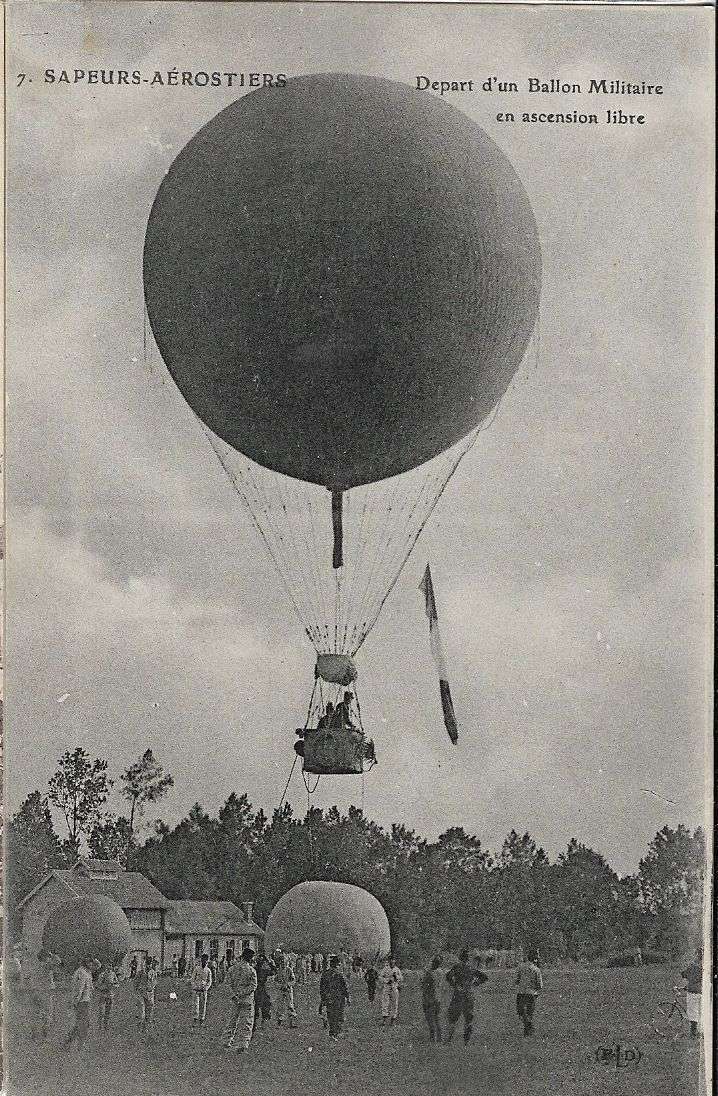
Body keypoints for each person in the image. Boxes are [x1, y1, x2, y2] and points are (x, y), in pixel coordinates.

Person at [444, 949, 487, 1045]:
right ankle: (466, 1042)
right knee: (468, 1019)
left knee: (453, 1018)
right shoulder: (471, 968)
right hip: (469, 994)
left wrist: (454, 985)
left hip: (458, 994)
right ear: (468, 958)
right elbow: (484, 977)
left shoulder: (457, 967)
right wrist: (475, 984)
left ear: (460, 957)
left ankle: (449, 1040)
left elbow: (448, 976)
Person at [225, 947, 258, 1053]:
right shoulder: (251, 970)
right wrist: (242, 993)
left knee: (232, 1021)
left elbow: (227, 984)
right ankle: (243, 1044)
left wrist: (234, 995)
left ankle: (226, 1041)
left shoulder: (232, 969)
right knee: (247, 1022)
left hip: (235, 999)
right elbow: (253, 986)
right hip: (247, 999)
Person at [28, 949, 61, 1040]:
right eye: (48, 957)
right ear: (45, 957)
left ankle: (34, 1034)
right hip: (45, 992)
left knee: (37, 1014)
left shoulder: (36, 965)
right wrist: (52, 954)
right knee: (47, 1014)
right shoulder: (46, 965)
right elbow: (58, 961)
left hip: (36, 991)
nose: (49, 958)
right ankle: (44, 1036)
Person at [64, 956, 93, 1049]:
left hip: (85, 1000)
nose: (91, 964)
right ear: (85, 963)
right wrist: (76, 1001)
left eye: (91, 962)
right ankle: (79, 1045)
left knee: (81, 1024)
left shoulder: (86, 972)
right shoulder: (82, 973)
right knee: (83, 1024)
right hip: (82, 1001)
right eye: (89, 962)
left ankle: (69, 1042)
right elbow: (80, 988)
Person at [319, 955, 350, 1040]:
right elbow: (344, 987)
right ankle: (336, 1032)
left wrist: (323, 998)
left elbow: (322, 988)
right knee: (338, 1015)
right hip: (338, 998)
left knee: (331, 1015)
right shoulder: (339, 974)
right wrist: (348, 997)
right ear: (337, 964)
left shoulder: (326, 974)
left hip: (330, 998)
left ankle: (333, 1032)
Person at [515, 949, 543, 1036]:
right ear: (535, 959)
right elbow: (540, 985)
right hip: (532, 993)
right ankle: (528, 1028)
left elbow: (516, 980)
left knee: (521, 1012)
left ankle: (527, 1027)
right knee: (529, 1012)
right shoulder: (537, 970)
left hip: (521, 992)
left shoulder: (520, 967)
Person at [421, 957, 443, 1043]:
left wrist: (425, 973)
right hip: (438, 998)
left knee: (429, 1018)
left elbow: (424, 985)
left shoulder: (429, 974)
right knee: (436, 1018)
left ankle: (432, 1037)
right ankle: (439, 1037)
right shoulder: (440, 972)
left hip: (429, 999)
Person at [682, 948, 703, 1037]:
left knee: (693, 1011)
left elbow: (686, 975)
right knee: (701, 1011)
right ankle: (701, 1031)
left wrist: (684, 974)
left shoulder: (693, 964)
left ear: (697, 954)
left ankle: (693, 1032)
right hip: (703, 991)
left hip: (693, 990)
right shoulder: (707, 964)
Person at [274, 949, 297, 1028]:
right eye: (281, 962)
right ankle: (279, 1021)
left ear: (287, 962)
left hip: (288, 989)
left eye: (284, 962)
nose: (283, 963)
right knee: (280, 1005)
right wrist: (280, 985)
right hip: (281, 990)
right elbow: (275, 980)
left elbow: (293, 980)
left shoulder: (289, 970)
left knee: (290, 1005)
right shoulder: (278, 971)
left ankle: (291, 1022)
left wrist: (288, 984)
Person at [134, 956, 158, 1034]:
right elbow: (135, 983)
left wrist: (151, 988)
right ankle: (139, 1029)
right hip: (141, 993)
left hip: (150, 993)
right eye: (147, 964)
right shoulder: (140, 972)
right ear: (145, 964)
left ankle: (145, 1029)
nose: (148, 966)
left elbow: (154, 983)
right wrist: (137, 991)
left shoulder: (153, 972)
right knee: (142, 1013)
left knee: (149, 1012)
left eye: (150, 964)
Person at [95, 962, 120, 1034]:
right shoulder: (102, 974)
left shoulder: (113, 974)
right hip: (103, 994)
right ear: (105, 966)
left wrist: (114, 985)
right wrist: (104, 986)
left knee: (108, 1011)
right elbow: (98, 985)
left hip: (110, 995)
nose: (109, 967)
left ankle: (106, 1026)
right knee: (101, 1011)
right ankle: (100, 1026)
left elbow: (117, 984)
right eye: (108, 965)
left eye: (110, 965)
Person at [253, 952, 276, 1031]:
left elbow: (273, 971)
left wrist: (269, 963)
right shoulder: (255, 969)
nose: (261, 962)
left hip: (262, 988)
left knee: (265, 1005)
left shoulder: (264, 969)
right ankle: (255, 1023)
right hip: (256, 989)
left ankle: (262, 1022)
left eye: (262, 961)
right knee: (256, 1006)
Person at [379, 956, 403, 1025]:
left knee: (395, 1003)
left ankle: (393, 1019)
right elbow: (380, 977)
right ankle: (384, 1020)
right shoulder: (385, 969)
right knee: (385, 1003)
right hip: (387, 987)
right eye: (391, 960)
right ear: (389, 961)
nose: (392, 962)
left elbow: (401, 978)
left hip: (394, 987)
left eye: (393, 960)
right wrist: (387, 980)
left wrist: (396, 977)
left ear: (395, 961)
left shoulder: (397, 969)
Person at [191, 954, 213, 1025]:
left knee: (203, 1005)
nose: (204, 962)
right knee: (196, 1005)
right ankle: (195, 1019)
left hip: (204, 990)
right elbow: (192, 979)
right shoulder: (197, 969)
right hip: (196, 990)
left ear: (207, 961)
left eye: (206, 960)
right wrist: (194, 986)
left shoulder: (208, 970)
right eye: (203, 960)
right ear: (201, 960)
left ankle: (202, 1019)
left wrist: (206, 987)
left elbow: (209, 981)